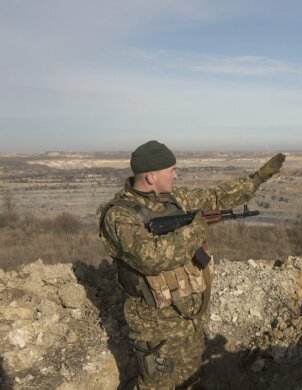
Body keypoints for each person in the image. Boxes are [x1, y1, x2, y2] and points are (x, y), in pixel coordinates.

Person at [97, 140, 285, 389]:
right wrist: (195, 229)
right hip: (157, 329)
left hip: (190, 318)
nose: (176, 174)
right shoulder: (120, 216)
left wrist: (258, 178)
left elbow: (217, 196)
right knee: (158, 384)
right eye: (171, 170)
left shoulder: (175, 199)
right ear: (152, 176)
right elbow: (150, 258)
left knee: (191, 378)